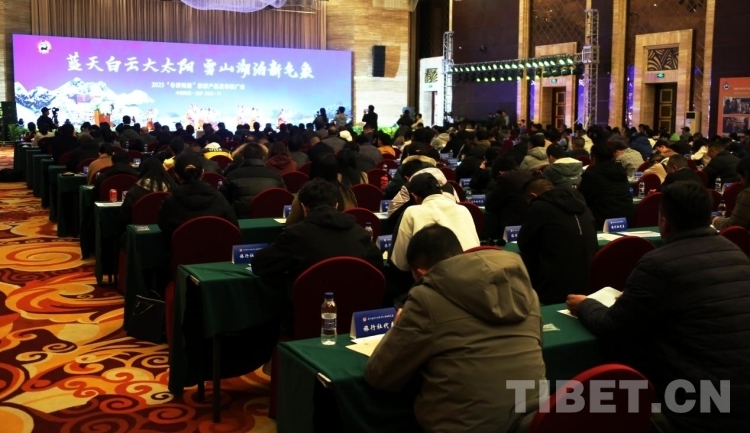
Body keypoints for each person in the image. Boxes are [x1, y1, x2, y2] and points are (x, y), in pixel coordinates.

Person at [566, 181, 750, 433]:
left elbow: (611, 327)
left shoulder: (658, 264)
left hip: (702, 411)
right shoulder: (736, 253)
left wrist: (586, 304)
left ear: (664, 222)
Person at [365, 224, 545, 433]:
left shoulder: (426, 298)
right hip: (532, 423)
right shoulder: (525, 291)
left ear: (421, 273)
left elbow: (379, 375)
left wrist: (397, 327)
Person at [253, 178, 382, 293]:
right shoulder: (359, 232)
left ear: (304, 208)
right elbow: (377, 266)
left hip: (307, 306)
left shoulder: (295, 234)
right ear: (336, 205)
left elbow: (260, 265)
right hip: (356, 304)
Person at [518, 177, 597, 304]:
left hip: (553, 288)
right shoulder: (582, 205)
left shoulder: (538, 207)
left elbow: (524, 244)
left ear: (533, 196)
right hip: (588, 282)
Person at [391, 173, 480, 272]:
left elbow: (400, 263)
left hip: (439, 277)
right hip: (475, 271)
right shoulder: (463, 209)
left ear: (414, 196)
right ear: (441, 191)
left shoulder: (411, 212)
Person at [158, 153, 238, 244]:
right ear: (202, 173)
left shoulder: (170, 201)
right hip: (216, 249)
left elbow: (163, 227)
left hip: (183, 251)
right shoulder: (219, 197)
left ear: (176, 175)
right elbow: (233, 226)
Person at [219, 143, 285, 218]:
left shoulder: (232, 176)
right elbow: (284, 199)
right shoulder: (276, 177)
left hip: (240, 219)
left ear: (243, 157)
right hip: (270, 218)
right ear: (263, 158)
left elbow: (222, 200)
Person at [579, 144, 635, 229]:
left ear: (593, 159)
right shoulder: (620, 171)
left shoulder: (591, 175)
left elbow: (582, 199)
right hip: (627, 219)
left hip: (602, 221)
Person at [120, 158, 178, 227]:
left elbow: (125, 216)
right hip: (168, 230)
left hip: (139, 230)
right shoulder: (174, 189)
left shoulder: (135, 191)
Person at [713, 156, 750, 230]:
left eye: (740, 177)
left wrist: (716, 220)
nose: (740, 181)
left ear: (746, 175)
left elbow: (734, 225)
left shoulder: (747, 194)